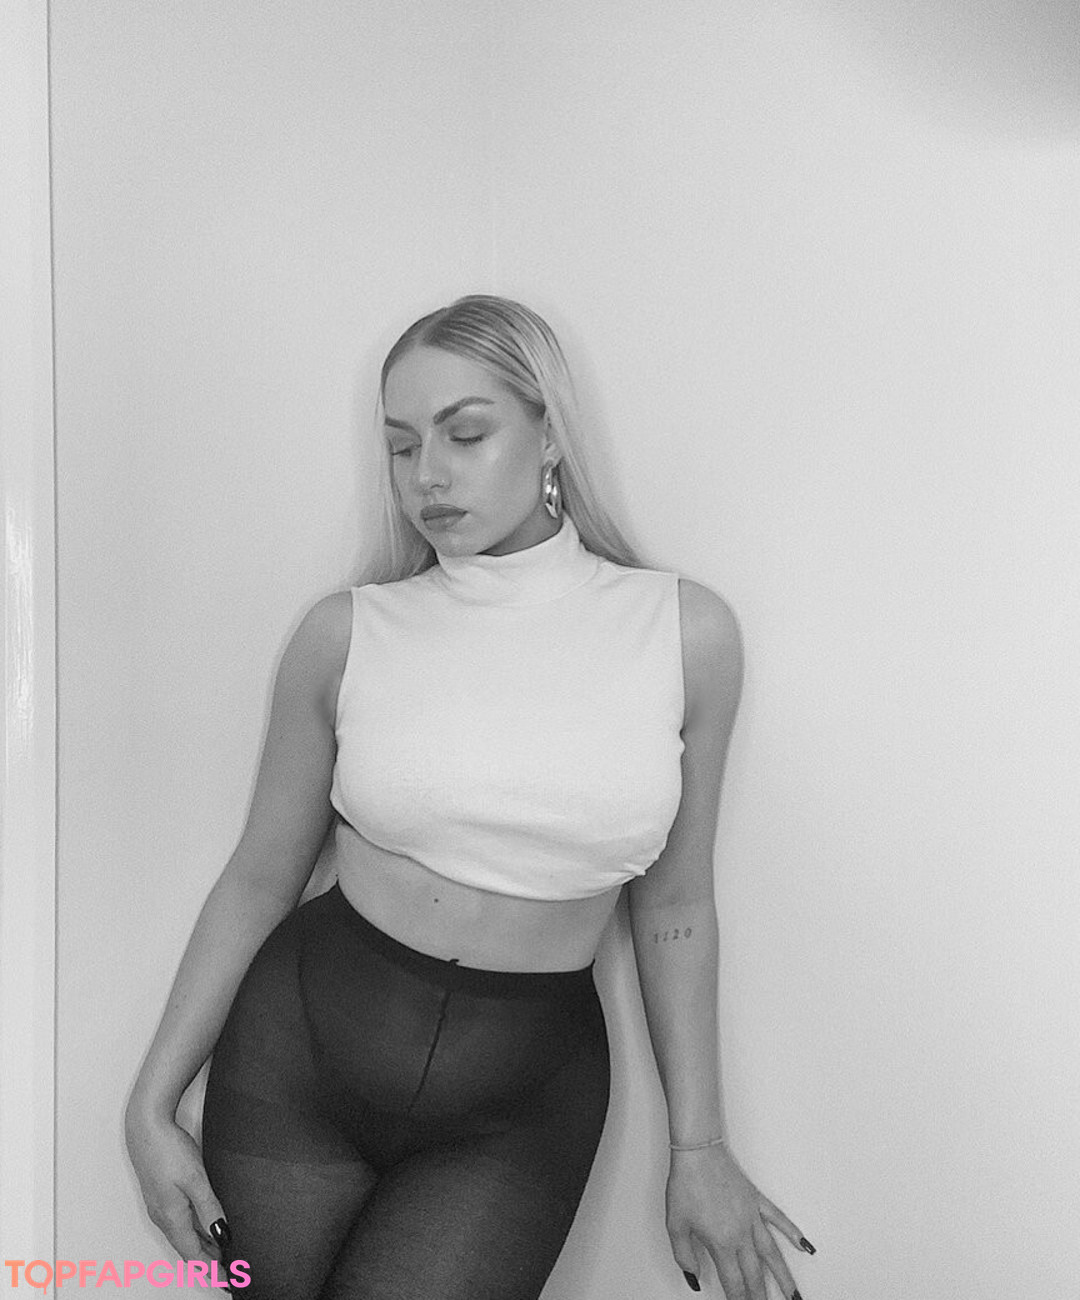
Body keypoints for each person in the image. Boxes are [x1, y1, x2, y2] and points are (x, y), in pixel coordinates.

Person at [125, 295, 814, 1300]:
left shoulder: (684, 634)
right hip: (294, 1065)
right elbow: (259, 879)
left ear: (550, 432)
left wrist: (699, 1146)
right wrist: (150, 1105)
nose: (427, 477)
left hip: (519, 1106)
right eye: (402, 446)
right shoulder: (346, 633)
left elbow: (675, 907)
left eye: (465, 433)